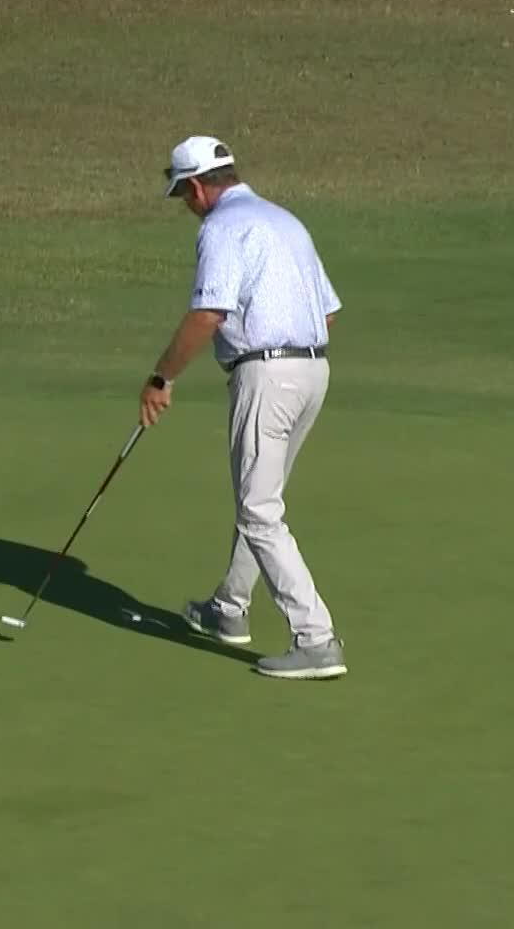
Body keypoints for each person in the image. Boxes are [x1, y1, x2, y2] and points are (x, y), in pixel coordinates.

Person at [137, 135, 347, 678]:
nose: (186, 206)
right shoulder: (285, 221)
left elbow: (208, 313)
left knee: (258, 510)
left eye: (184, 195)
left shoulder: (221, 228)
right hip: (313, 370)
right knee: (262, 501)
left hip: (267, 375)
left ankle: (316, 638)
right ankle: (229, 609)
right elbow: (327, 314)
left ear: (199, 187)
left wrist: (162, 377)